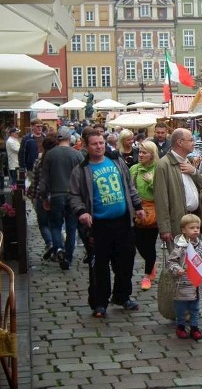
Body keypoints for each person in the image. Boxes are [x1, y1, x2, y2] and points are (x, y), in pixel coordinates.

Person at [69, 131, 145, 318]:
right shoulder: (81, 169)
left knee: (125, 262)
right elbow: (73, 195)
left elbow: (129, 186)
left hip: (123, 222)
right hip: (99, 225)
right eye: (94, 144)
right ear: (86, 146)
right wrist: (82, 212)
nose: (99, 147)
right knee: (100, 266)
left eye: (101, 143)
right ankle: (99, 302)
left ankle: (122, 296)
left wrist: (138, 206)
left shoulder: (116, 162)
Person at [39, 126, 84, 270]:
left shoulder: (50, 154)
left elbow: (44, 178)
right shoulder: (77, 155)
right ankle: (68, 257)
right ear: (69, 138)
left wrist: (44, 197)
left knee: (55, 225)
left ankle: (58, 248)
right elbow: (83, 177)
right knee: (71, 228)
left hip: (56, 195)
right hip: (73, 196)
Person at [167, 214, 202, 341]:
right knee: (181, 309)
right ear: (184, 230)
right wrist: (177, 269)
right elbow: (171, 262)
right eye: (192, 228)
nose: (196, 230)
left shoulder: (199, 246)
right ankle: (180, 326)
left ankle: (195, 327)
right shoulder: (179, 248)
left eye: (197, 227)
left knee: (195, 308)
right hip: (181, 285)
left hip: (195, 285)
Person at [154, 128, 202, 245]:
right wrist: (165, 228)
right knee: (179, 260)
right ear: (180, 142)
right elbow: (161, 200)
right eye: (191, 140)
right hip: (178, 222)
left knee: (194, 259)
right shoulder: (164, 165)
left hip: (193, 218)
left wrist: (194, 172)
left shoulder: (188, 161)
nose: (194, 143)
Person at [129, 141, 160, 290]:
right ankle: (151, 262)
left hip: (153, 211)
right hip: (137, 209)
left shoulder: (159, 169)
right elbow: (129, 188)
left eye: (144, 152)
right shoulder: (134, 169)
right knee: (138, 242)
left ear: (152, 155)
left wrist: (152, 182)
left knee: (150, 244)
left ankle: (147, 276)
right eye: (140, 152)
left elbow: (162, 192)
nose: (140, 155)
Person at [26, 135, 58, 260]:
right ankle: (58, 248)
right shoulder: (58, 161)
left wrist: (32, 195)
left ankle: (49, 243)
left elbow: (35, 181)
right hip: (56, 195)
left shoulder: (38, 161)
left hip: (41, 196)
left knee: (43, 224)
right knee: (55, 224)